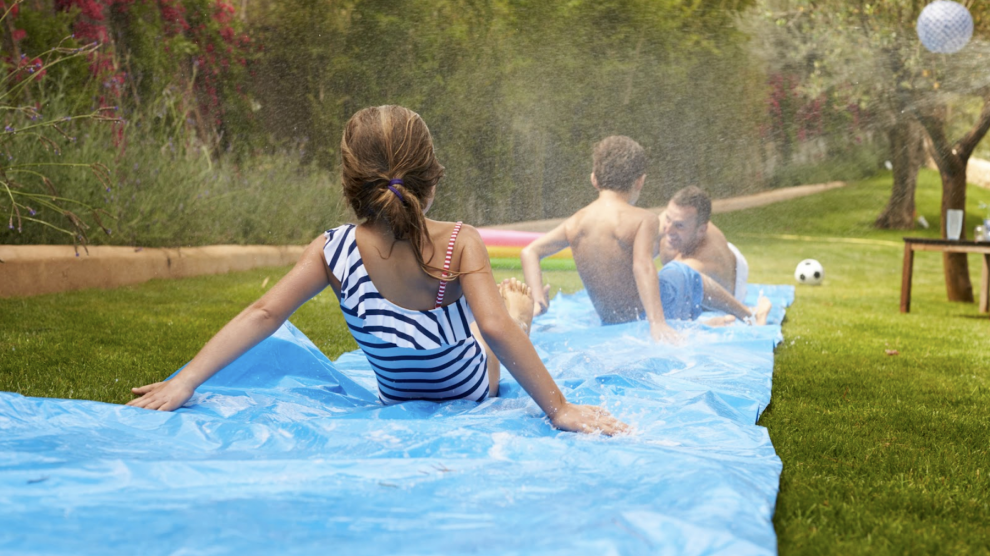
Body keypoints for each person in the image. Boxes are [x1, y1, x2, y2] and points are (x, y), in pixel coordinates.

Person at [128, 105, 627, 436]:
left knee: (491, 326)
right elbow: (494, 330)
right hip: (472, 383)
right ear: (432, 180)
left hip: (419, 388)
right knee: (494, 322)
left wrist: (186, 380)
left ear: (351, 184)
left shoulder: (333, 251)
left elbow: (264, 313)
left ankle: (517, 310)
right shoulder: (459, 241)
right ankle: (518, 307)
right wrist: (560, 410)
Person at [520, 136, 770, 342]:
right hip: (645, 315)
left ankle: (717, 320)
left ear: (594, 179)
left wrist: (538, 301)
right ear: (640, 181)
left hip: (611, 319)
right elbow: (642, 266)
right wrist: (657, 323)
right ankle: (748, 315)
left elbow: (530, 251)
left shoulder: (575, 222)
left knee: (677, 276)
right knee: (684, 274)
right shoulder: (643, 219)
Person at [659, 186, 749, 302]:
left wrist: (746, 314)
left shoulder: (700, 264)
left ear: (701, 230)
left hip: (731, 281)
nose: (668, 230)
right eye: (668, 219)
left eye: (679, 226)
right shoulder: (673, 217)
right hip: (705, 245)